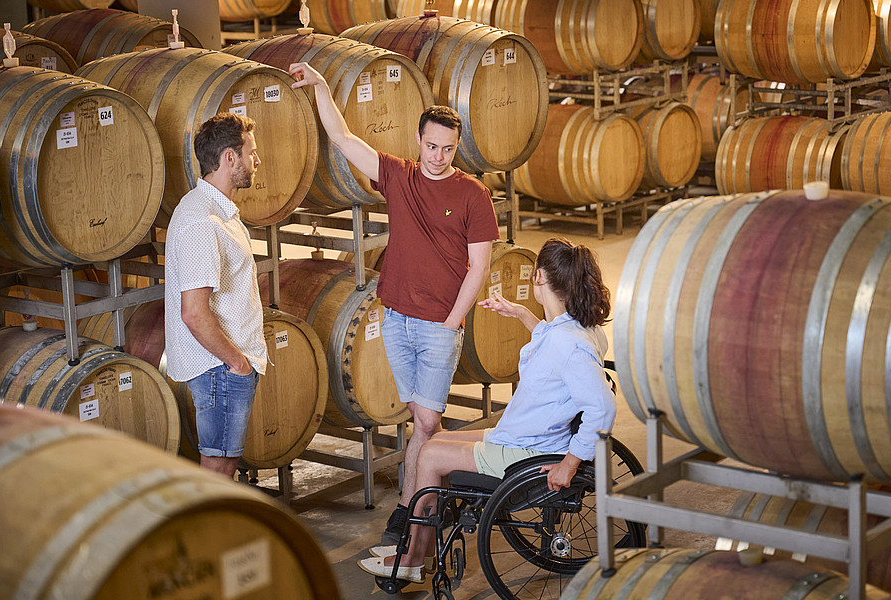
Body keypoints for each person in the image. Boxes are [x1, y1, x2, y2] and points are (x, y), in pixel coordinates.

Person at [289, 63, 500, 543]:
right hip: (396, 318)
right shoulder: (400, 177)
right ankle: (437, 496)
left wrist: (451, 323)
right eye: (431, 146)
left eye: (448, 149)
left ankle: (411, 509)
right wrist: (322, 85)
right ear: (419, 139)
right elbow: (344, 139)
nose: (438, 156)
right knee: (420, 417)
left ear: (456, 147)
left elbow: (480, 268)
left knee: (425, 420)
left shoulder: (473, 195)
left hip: (437, 326)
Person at [356, 238, 617, 582]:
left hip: (529, 450)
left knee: (430, 455)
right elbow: (557, 350)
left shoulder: (566, 343)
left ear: (538, 277)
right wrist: (523, 314)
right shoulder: (577, 329)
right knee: (442, 441)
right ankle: (423, 551)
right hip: (527, 435)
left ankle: (411, 557)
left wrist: (570, 463)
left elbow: (602, 408)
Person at [164, 112, 267, 478]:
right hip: (219, 368)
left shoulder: (216, 211)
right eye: (250, 153)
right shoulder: (200, 220)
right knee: (216, 472)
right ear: (229, 158)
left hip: (224, 367)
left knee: (223, 466)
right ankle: (204, 537)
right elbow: (193, 311)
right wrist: (236, 363)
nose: (257, 160)